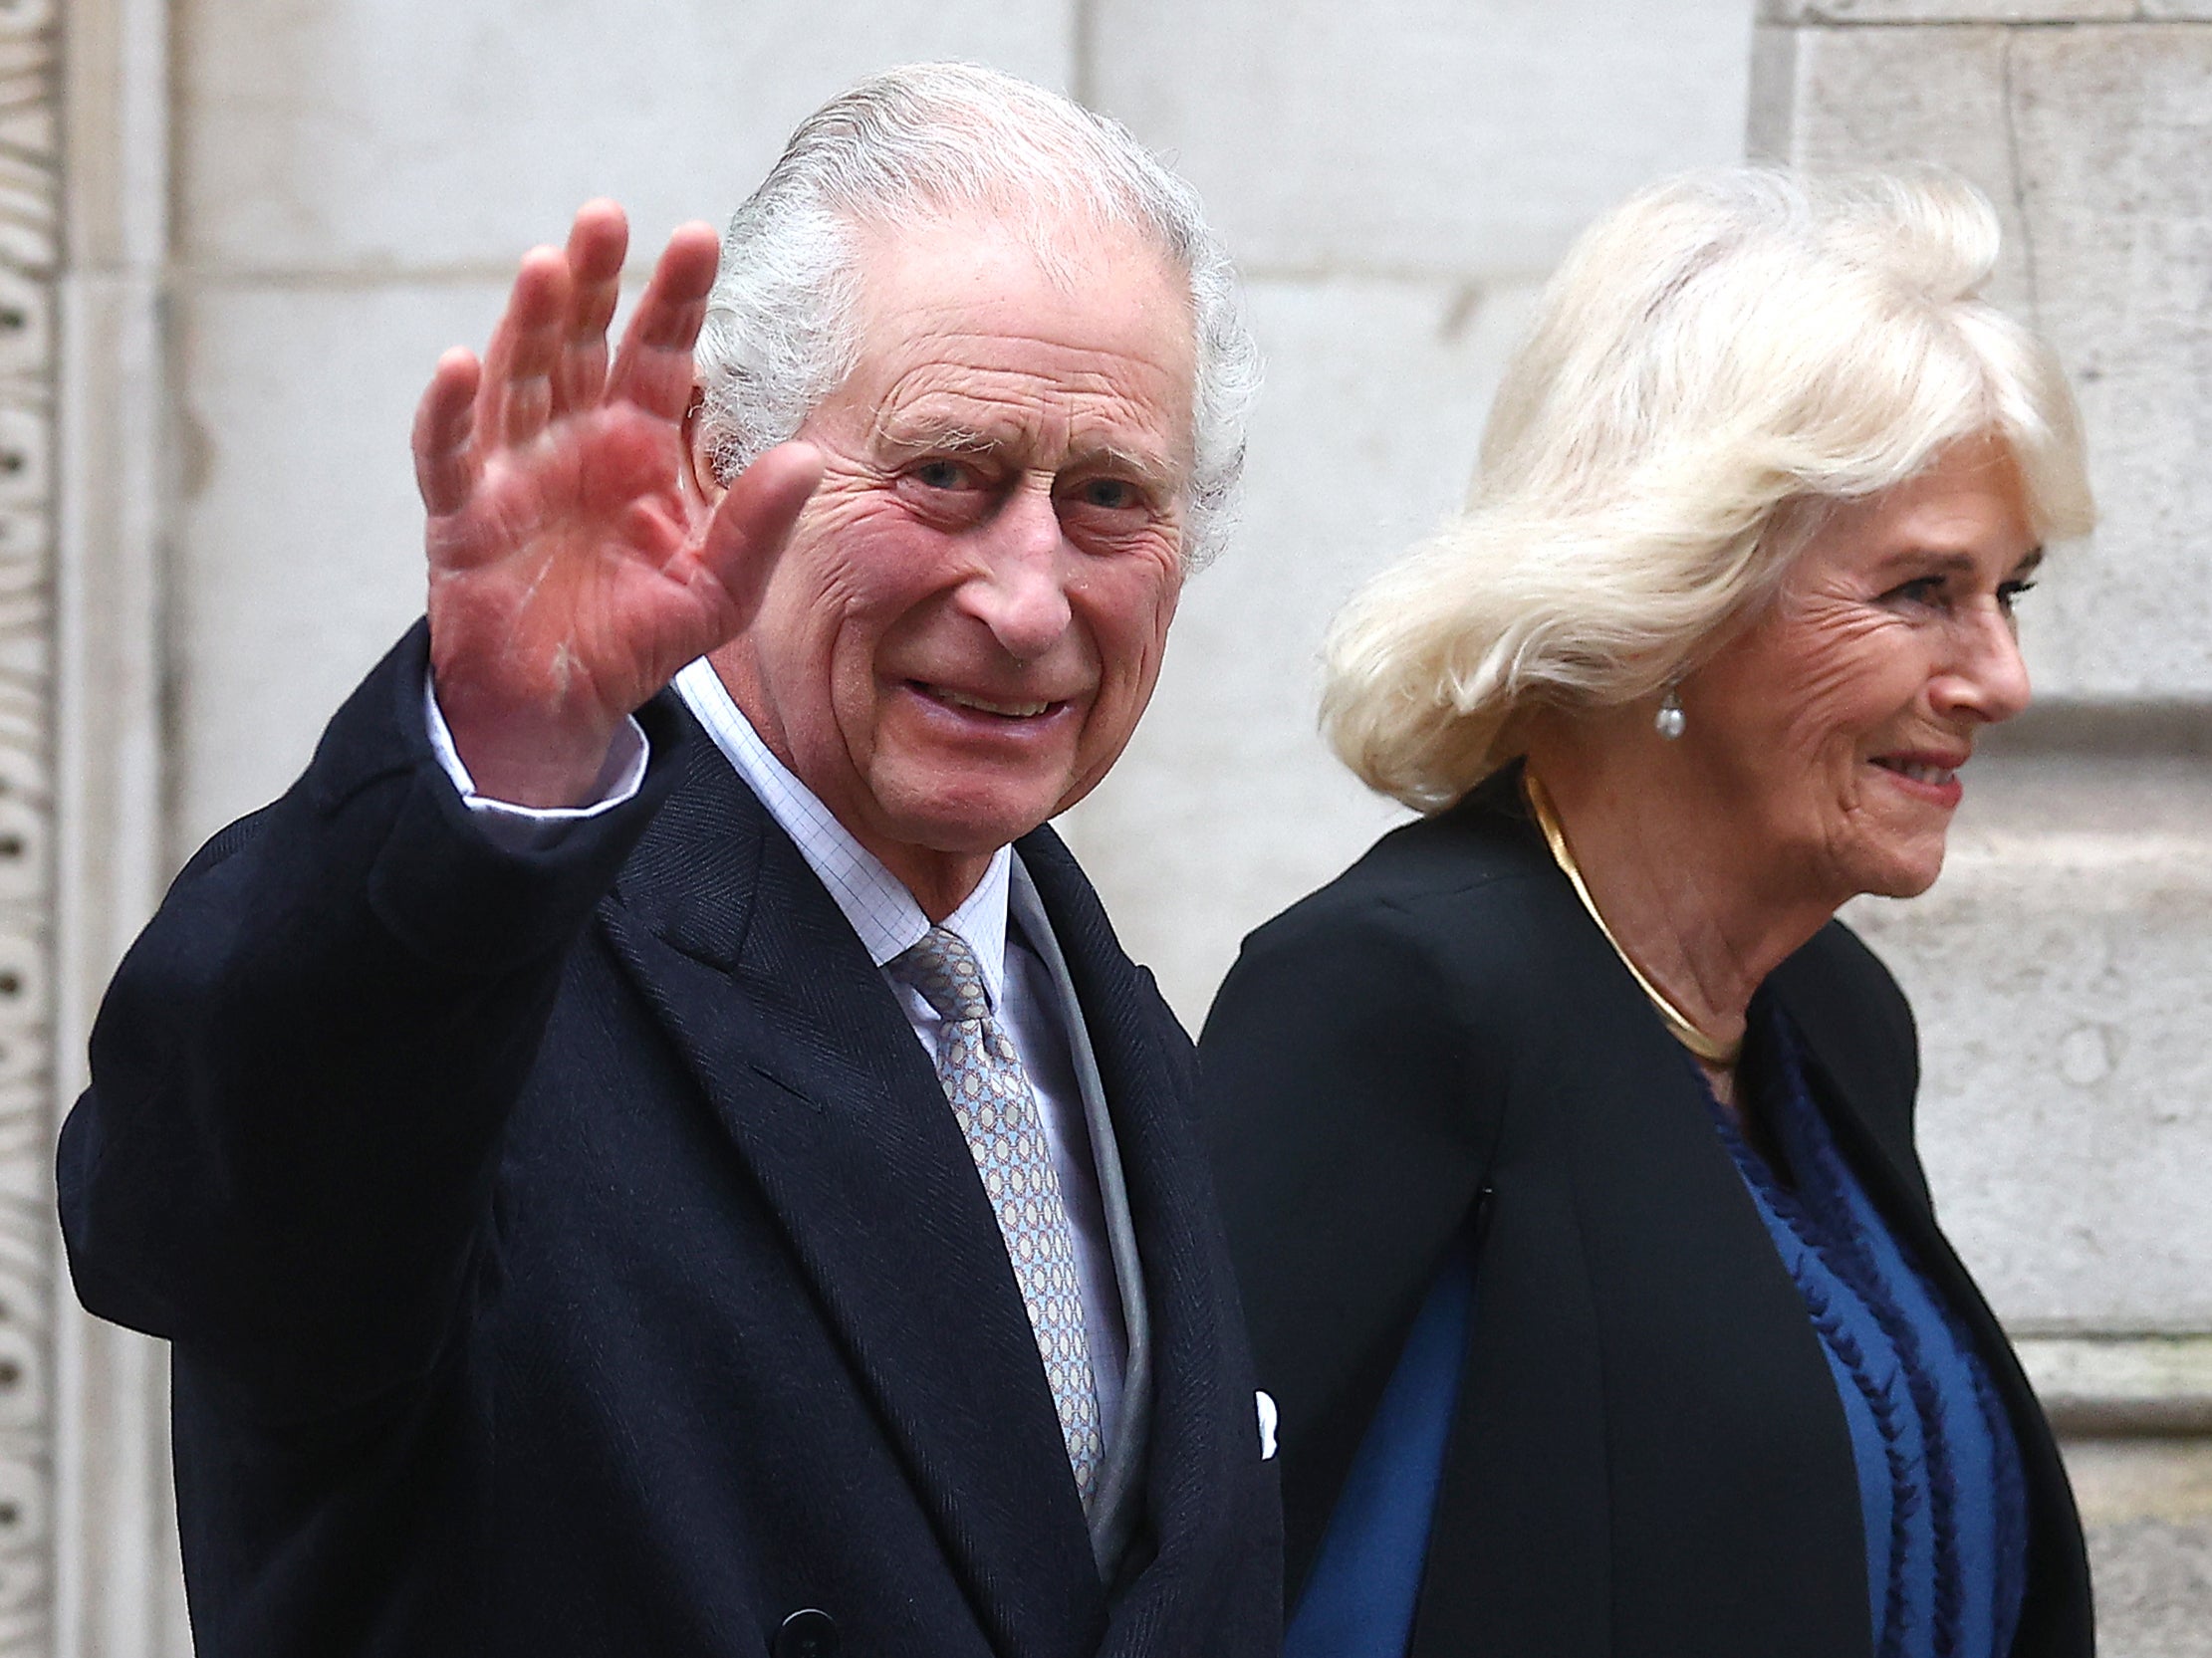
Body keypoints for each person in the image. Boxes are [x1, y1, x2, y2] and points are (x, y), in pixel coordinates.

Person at [59, 64, 1279, 1658]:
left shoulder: (1103, 1019)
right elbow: (190, 1209)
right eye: (947, 474)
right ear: (716, 461)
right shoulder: (485, 954)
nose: (1029, 597)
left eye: (1109, 497)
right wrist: (498, 759)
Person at [1199, 168, 2095, 1658]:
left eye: (2010, 590)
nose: (1997, 677)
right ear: (1674, 594)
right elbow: (1212, 1581)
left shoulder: (1834, 1014)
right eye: (1922, 590)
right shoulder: (1395, 993)